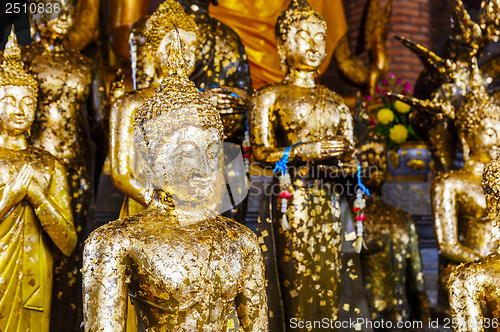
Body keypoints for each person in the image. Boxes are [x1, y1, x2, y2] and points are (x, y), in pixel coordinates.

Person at [82, 32, 269, 331]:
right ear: (149, 159)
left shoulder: (242, 241)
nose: (202, 167)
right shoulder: (117, 242)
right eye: (185, 152)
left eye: (211, 151)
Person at [250, 0, 355, 330]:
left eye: (320, 36)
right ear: (282, 45)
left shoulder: (337, 103)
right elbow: (262, 153)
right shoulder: (269, 97)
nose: (313, 44)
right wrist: (310, 150)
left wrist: (338, 163)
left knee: (329, 278)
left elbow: (353, 165)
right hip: (290, 199)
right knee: (294, 277)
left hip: (330, 199)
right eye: (302, 35)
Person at [0, 27, 77, 332]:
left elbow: (69, 243)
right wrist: (12, 195)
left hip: (36, 276)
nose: (19, 110)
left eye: (27, 102)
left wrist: (41, 199)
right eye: (9, 100)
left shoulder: (49, 165)